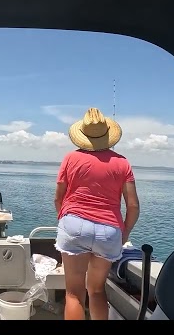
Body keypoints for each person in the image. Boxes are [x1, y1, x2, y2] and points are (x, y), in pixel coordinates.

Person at [53, 107, 140, 320]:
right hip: (109, 231)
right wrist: (124, 233)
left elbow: (58, 198)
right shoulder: (122, 163)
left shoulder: (70, 159)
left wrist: (65, 220)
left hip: (73, 224)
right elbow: (133, 206)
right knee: (97, 290)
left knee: (74, 293)